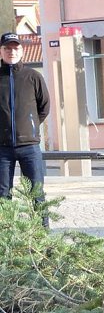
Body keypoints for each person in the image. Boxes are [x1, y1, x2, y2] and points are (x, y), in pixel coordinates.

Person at [0, 32, 50, 225]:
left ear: (22, 50)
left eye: (15, 48)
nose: (12, 51)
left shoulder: (33, 77)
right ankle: (6, 241)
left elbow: (44, 107)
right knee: (3, 196)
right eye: (7, 48)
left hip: (30, 147)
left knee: (36, 194)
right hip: (2, 149)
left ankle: (41, 240)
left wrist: (30, 126)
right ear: (1, 51)